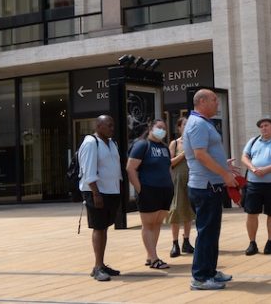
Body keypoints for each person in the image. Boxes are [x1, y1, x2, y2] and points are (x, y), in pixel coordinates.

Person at [182, 89, 238, 291]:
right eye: (215, 100)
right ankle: (199, 278)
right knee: (206, 232)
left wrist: (224, 165)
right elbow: (200, 155)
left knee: (211, 232)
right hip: (205, 186)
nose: (218, 103)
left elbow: (208, 154)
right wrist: (224, 175)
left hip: (210, 186)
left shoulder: (202, 122)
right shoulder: (197, 123)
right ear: (202, 101)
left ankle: (210, 272)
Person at [78, 115, 123, 281]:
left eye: (113, 125)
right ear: (98, 126)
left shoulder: (112, 143)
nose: (112, 128)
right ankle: (97, 267)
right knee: (98, 227)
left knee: (104, 227)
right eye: (108, 125)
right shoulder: (91, 143)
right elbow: (88, 171)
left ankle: (101, 264)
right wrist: (96, 193)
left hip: (111, 191)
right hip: (97, 192)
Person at [240, 115, 271, 256]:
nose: (263, 128)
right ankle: (252, 243)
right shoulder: (253, 141)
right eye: (261, 126)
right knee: (251, 213)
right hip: (253, 184)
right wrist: (252, 168)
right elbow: (244, 157)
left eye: (266, 125)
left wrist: (265, 170)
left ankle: (270, 242)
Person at [126, 119, 174, 270]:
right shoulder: (142, 145)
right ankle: (154, 258)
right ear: (151, 128)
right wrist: (140, 189)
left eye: (164, 128)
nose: (162, 130)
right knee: (148, 224)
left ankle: (150, 254)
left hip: (165, 190)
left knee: (157, 223)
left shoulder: (165, 148)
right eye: (159, 127)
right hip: (148, 189)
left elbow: (168, 168)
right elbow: (130, 168)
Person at [167, 116, 195, 258]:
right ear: (179, 127)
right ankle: (175, 243)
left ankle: (186, 241)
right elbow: (170, 162)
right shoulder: (175, 143)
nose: (186, 126)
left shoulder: (195, 142)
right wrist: (184, 153)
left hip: (192, 179)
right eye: (184, 124)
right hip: (178, 179)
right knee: (176, 209)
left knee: (188, 210)